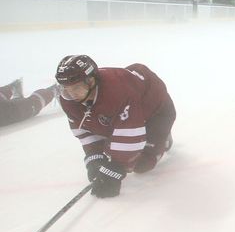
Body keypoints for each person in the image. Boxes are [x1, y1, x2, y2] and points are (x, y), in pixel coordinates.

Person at [55, 55, 176, 198]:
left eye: (76, 88)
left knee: (142, 165)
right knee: (109, 146)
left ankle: (163, 137)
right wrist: (94, 158)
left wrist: (114, 170)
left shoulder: (118, 92)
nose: (71, 94)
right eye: (66, 89)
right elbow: (83, 128)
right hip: (125, 109)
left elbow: (130, 135)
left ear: (91, 81)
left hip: (156, 112)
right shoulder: (69, 99)